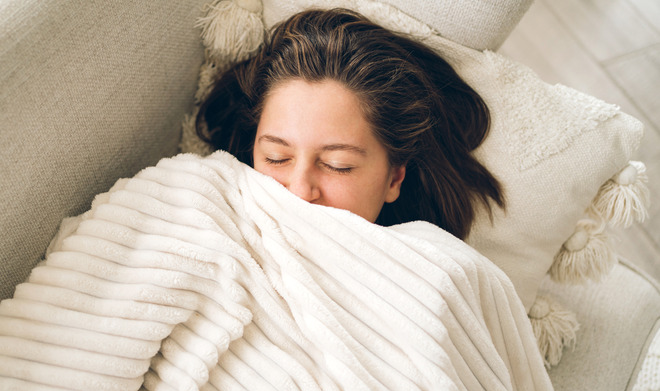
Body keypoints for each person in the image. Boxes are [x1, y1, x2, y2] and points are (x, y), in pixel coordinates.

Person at [197, 8, 504, 239]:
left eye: (337, 164)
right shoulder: (200, 209)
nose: (300, 191)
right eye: (276, 158)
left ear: (394, 179)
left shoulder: (436, 280)